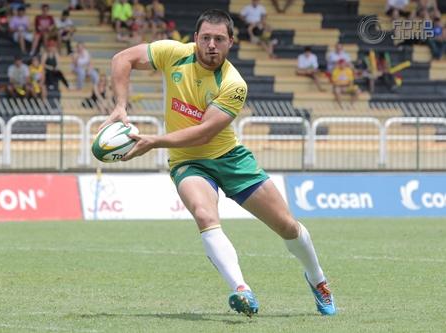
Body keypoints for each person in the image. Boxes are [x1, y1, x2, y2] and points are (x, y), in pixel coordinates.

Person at [99, 9, 336, 317]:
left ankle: (317, 279)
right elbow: (122, 59)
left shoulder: (234, 84)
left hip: (230, 158)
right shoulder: (173, 53)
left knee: (287, 226)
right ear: (195, 39)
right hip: (188, 162)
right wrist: (120, 105)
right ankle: (241, 289)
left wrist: (154, 141)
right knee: (203, 214)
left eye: (219, 39)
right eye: (206, 38)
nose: (212, 44)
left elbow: (203, 132)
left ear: (230, 43)